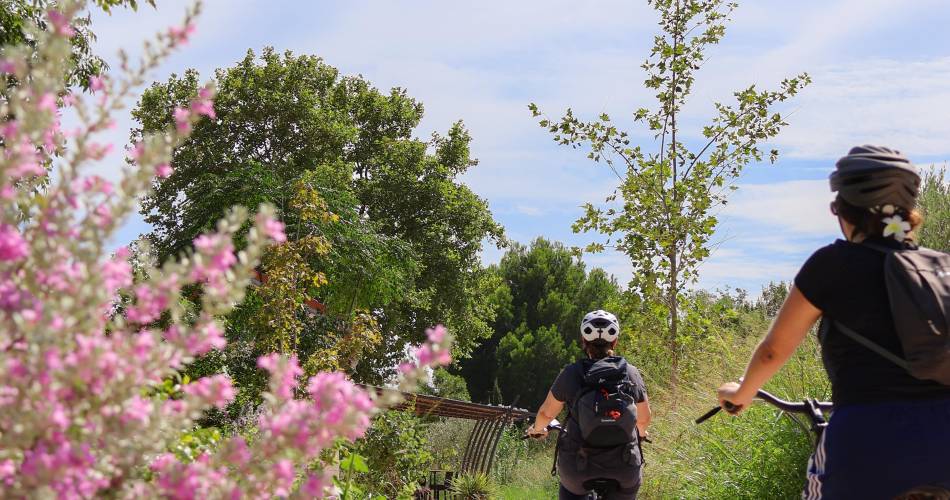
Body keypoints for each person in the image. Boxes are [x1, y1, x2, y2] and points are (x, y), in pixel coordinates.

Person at [716, 145, 950, 499]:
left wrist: (741, 393)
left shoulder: (831, 264)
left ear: (842, 211)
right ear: (908, 211)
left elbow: (773, 351)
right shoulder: (941, 268)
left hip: (866, 438)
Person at [527, 310, 652, 500]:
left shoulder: (572, 373)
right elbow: (644, 419)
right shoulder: (630, 373)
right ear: (615, 342)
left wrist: (537, 430)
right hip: (624, 466)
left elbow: (546, 414)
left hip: (578, 467)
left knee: (571, 489)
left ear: (584, 341)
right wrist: (641, 433)